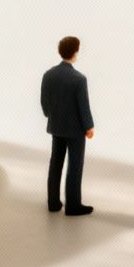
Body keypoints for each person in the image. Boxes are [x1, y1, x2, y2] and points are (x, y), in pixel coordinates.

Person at [41, 35, 95, 216]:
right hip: (75, 130)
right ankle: (73, 205)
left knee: (55, 163)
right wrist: (88, 126)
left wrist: (51, 116)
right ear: (74, 52)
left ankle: (53, 202)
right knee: (75, 166)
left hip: (56, 126)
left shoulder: (48, 75)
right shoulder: (79, 79)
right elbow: (83, 106)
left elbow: (44, 102)